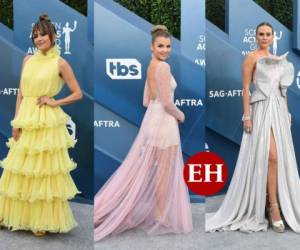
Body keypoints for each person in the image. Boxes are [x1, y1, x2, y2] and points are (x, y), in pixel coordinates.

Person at [94, 25, 193, 241]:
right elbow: (167, 102)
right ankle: (161, 215)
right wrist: (181, 115)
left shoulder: (152, 65)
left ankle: (155, 212)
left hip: (152, 120)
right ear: (152, 46)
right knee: (164, 172)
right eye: (161, 46)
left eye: (168, 46)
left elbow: (146, 101)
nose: (165, 50)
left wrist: (160, 107)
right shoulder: (164, 67)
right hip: (165, 122)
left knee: (157, 171)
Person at [206, 22, 300, 234]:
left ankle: (275, 202)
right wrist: (247, 116)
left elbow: (282, 91)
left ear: (273, 37)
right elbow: (245, 89)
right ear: (256, 36)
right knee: (269, 156)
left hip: (278, 110)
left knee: (277, 158)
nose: (265, 37)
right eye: (261, 34)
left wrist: (287, 113)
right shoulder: (251, 58)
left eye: (268, 34)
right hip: (260, 110)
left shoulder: (280, 61)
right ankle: (272, 206)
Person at [0, 14, 83, 236]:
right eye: (35, 36)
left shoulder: (61, 63)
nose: (39, 39)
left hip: (45, 121)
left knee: (42, 171)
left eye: (43, 34)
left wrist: (55, 101)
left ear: (53, 36)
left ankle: (40, 219)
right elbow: (21, 92)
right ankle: (8, 214)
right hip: (26, 117)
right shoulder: (27, 59)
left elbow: (78, 93)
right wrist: (16, 122)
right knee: (20, 168)